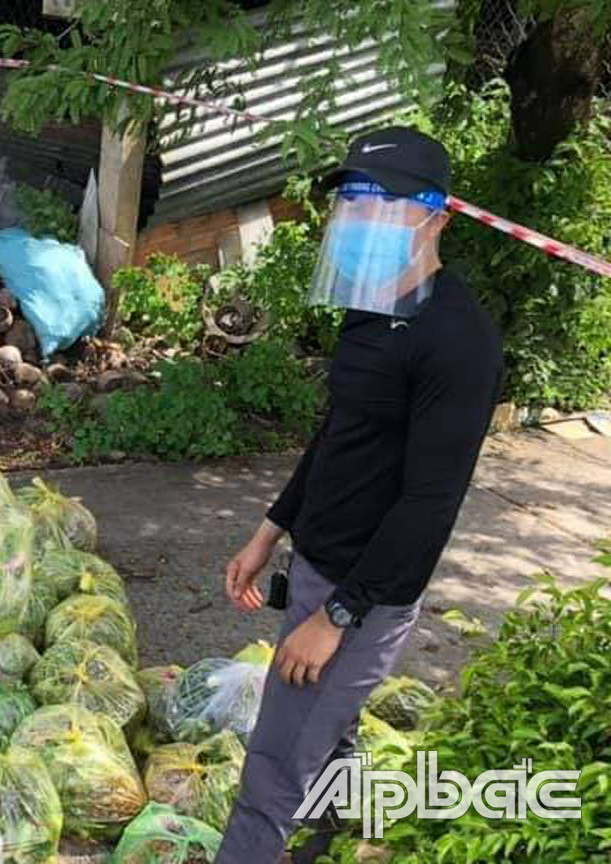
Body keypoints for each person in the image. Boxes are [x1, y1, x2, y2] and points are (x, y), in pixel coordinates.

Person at [215, 127, 504, 864]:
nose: (357, 224)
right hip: (318, 564)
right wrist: (270, 530)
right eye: (351, 206)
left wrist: (338, 616)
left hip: (362, 593)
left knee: (273, 771)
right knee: (328, 739)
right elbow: (339, 434)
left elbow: (428, 505)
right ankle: (340, 849)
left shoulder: (458, 340)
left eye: (379, 207)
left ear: (435, 219)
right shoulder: (372, 307)